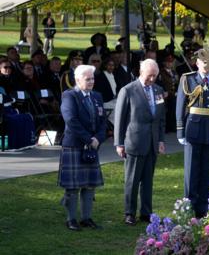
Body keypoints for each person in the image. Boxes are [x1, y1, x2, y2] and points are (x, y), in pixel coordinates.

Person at [114, 59, 166, 225]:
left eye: (155, 76)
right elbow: (120, 118)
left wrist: (161, 140)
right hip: (134, 141)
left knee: (148, 181)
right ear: (141, 72)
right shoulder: (128, 90)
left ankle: (146, 212)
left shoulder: (158, 90)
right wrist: (119, 143)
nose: (152, 79)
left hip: (152, 142)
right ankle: (129, 213)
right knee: (132, 180)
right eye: (150, 75)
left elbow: (160, 119)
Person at [176, 49, 209, 218]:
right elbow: (180, 105)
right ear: (197, 63)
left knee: (207, 170)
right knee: (192, 170)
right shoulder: (188, 79)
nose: (207, 66)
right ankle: (189, 206)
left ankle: (202, 209)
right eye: (204, 62)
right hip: (193, 129)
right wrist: (180, 130)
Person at [58, 65, 106, 231]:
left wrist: (98, 138)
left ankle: (86, 218)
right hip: (74, 145)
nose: (91, 81)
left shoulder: (97, 96)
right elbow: (71, 120)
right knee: (72, 187)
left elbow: (103, 121)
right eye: (88, 79)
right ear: (77, 80)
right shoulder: (69, 96)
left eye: (92, 78)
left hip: (91, 146)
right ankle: (71, 219)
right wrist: (88, 139)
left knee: (89, 185)